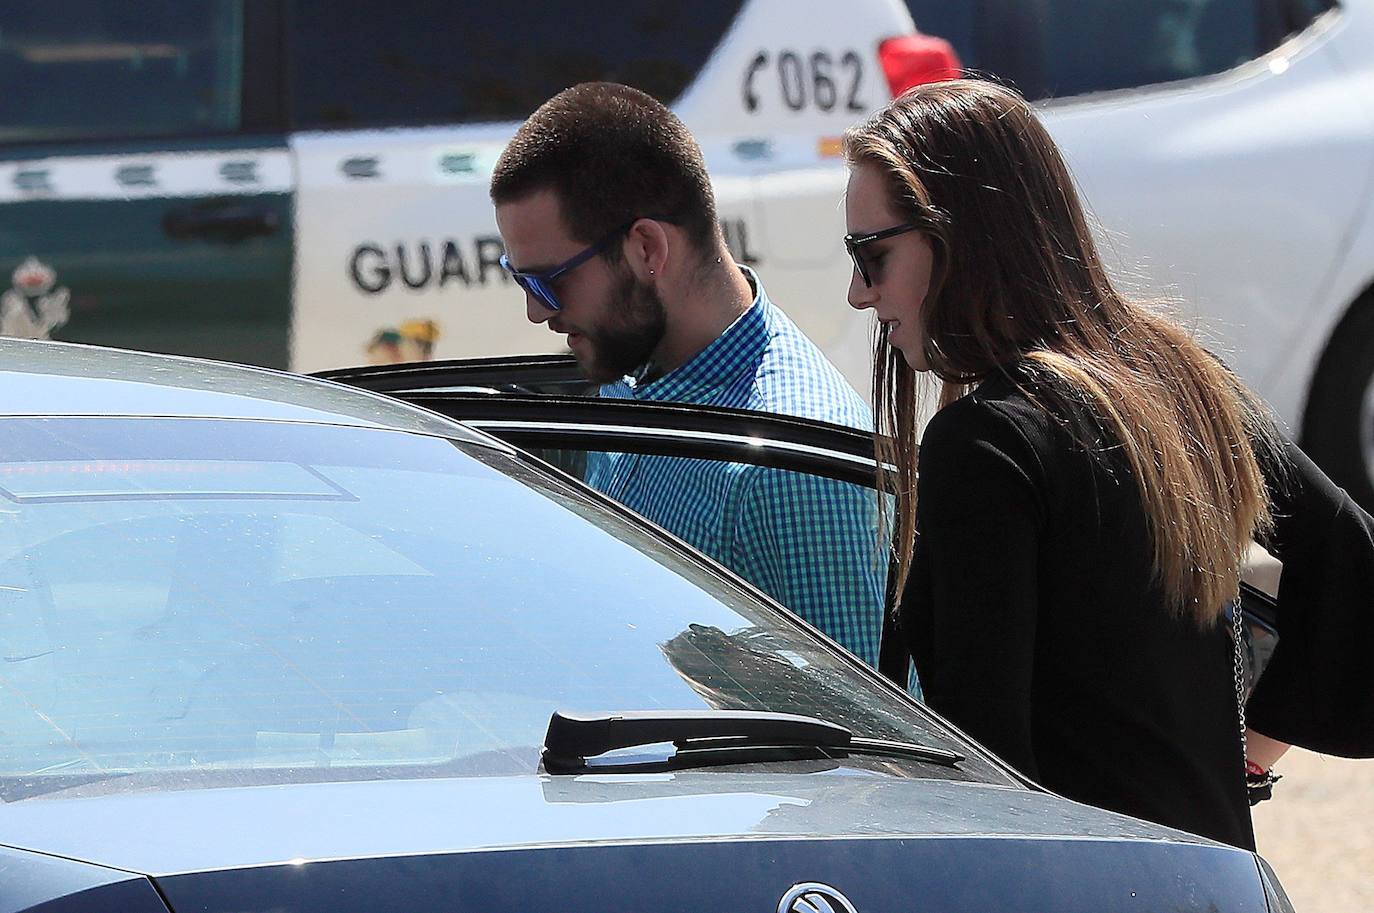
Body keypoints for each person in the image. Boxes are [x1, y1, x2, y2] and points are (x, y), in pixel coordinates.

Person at [842, 78, 1374, 848]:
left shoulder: (986, 444)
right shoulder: (1179, 381)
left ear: (961, 235)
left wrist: (1241, 753)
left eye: (873, 255)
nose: (859, 293)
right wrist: (1237, 763)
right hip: (1217, 882)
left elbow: (987, 787)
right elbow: (1353, 568)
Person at [489, 82, 887, 668]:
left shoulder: (793, 468)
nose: (536, 310)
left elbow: (870, 743)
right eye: (519, 279)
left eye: (548, 282)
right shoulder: (629, 373)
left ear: (647, 248)